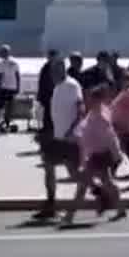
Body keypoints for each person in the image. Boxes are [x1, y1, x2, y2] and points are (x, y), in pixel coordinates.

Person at [62, 85, 126, 227]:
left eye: (92, 99)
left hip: (100, 155)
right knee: (107, 183)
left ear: (99, 100)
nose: (88, 101)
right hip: (96, 154)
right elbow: (83, 129)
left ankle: (69, 216)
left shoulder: (102, 116)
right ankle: (120, 209)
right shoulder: (94, 113)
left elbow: (111, 137)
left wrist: (117, 154)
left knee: (83, 185)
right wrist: (73, 137)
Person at [36, 62, 83, 220]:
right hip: (55, 137)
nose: (53, 75)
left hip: (69, 138)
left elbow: (80, 110)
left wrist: (73, 131)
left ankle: (101, 192)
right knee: (49, 168)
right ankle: (51, 205)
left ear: (63, 70)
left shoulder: (72, 86)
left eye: (56, 71)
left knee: (75, 174)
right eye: (51, 72)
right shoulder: (56, 87)